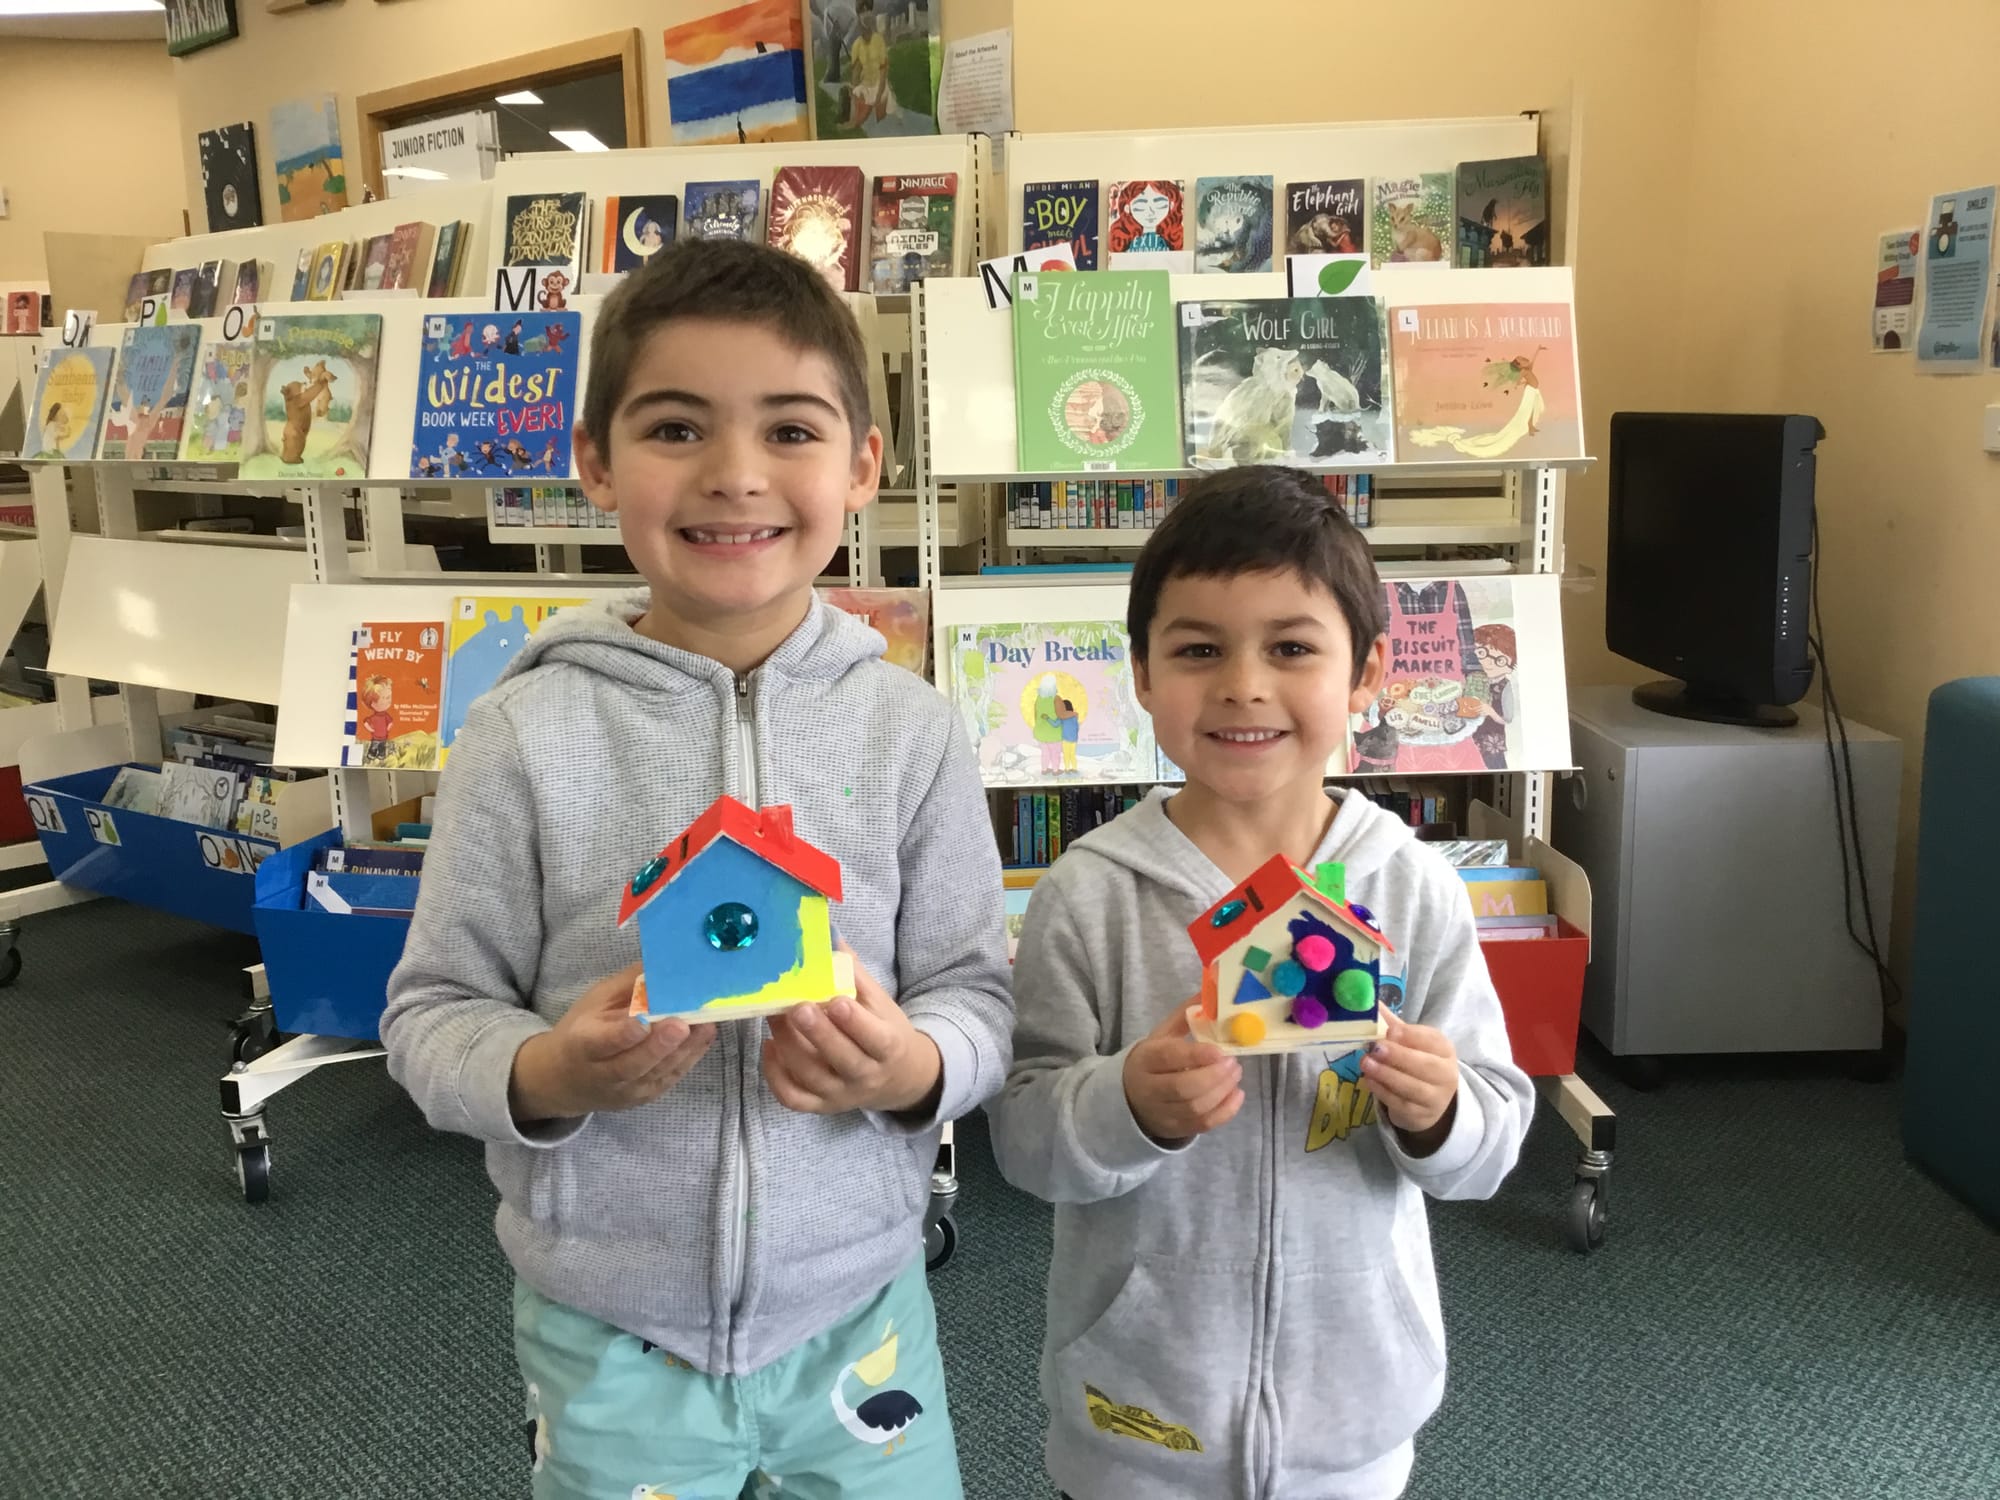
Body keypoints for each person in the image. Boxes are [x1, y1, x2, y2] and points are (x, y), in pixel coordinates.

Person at [382, 236, 1012, 1500]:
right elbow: (431, 1012)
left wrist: (913, 1067)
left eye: (790, 430)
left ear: (862, 469)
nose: (735, 476)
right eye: (676, 429)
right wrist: (546, 1072)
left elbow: (979, 995)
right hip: (613, 1319)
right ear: (595, 465)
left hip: (858, 1306)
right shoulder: (526, 731)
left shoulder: (911, 728)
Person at [987, 465, 1534, 1500]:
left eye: (1290, 647)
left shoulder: (1409, 885)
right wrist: (1125, 1105)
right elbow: (1022, 1142)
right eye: (1197, 650)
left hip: (1353, 1429)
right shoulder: (1089, 893)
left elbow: (1491, 1142)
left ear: (1366, 675)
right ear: (1139, 674)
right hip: (1134, 1429)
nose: (1242, 684)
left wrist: (1438, 1112)